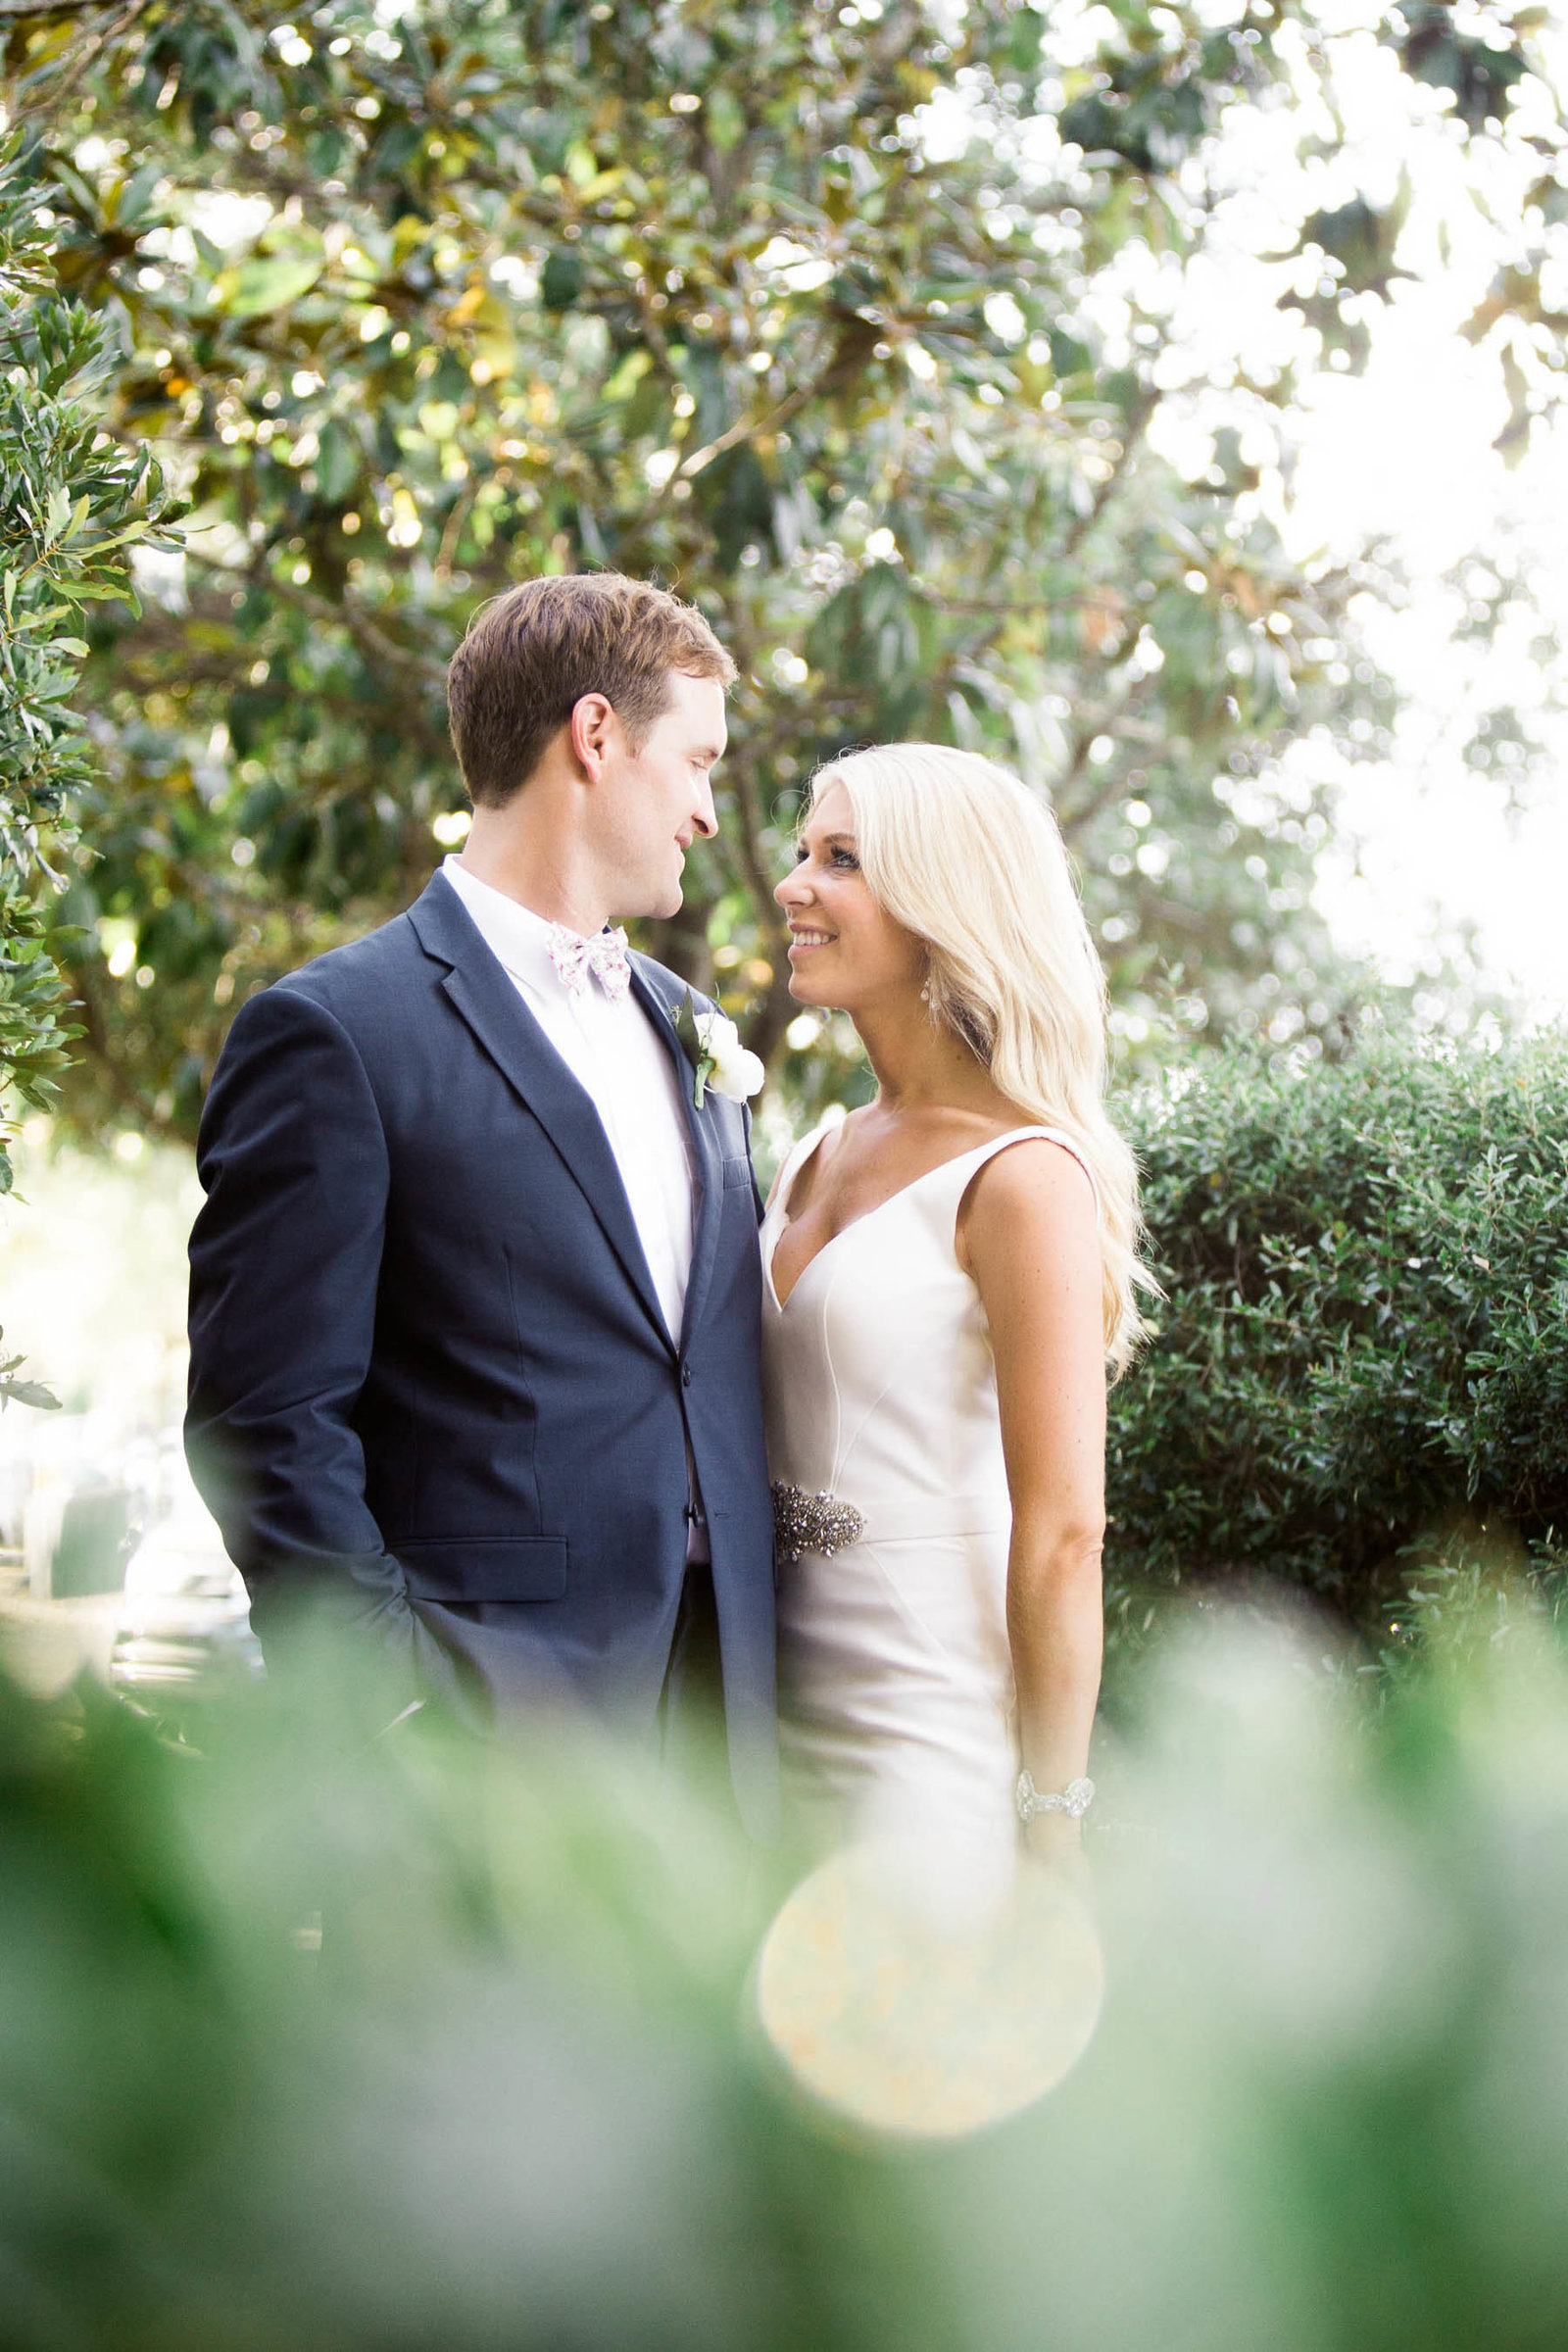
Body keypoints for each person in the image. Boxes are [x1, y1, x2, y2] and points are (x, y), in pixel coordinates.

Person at [185, 573, 778, 1840]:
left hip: (720, 1751)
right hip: (477, 1754)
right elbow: (262, 1423)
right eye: (697, 762)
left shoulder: (688, 1028)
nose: (709, 810)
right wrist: (401, 1710)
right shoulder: (340, 1033)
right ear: (598, 734)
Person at [760, 744, 1148, 1898]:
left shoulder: (1028, 1177)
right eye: (801, 854)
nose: (793, 885)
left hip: (922, 1736)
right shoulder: (812, 1149)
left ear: (940, 903)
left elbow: (1064, 1535)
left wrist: (1050, 1825)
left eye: (842, 861)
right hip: (758, 1715)